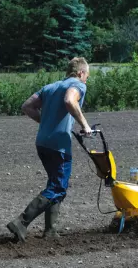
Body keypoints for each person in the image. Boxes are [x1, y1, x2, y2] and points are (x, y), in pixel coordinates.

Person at [7, 57, 92, 242]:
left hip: (42, 142)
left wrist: (45, 122)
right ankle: (21, 222)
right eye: (86, 76)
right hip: (58, 145)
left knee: (54, 184)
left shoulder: (51, 87)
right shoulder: (78, 85)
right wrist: (85, 125)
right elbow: (70, 100)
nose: (86, 80)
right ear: (80, 73)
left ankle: (50, 230)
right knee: (59, 187)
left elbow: (27, 106)